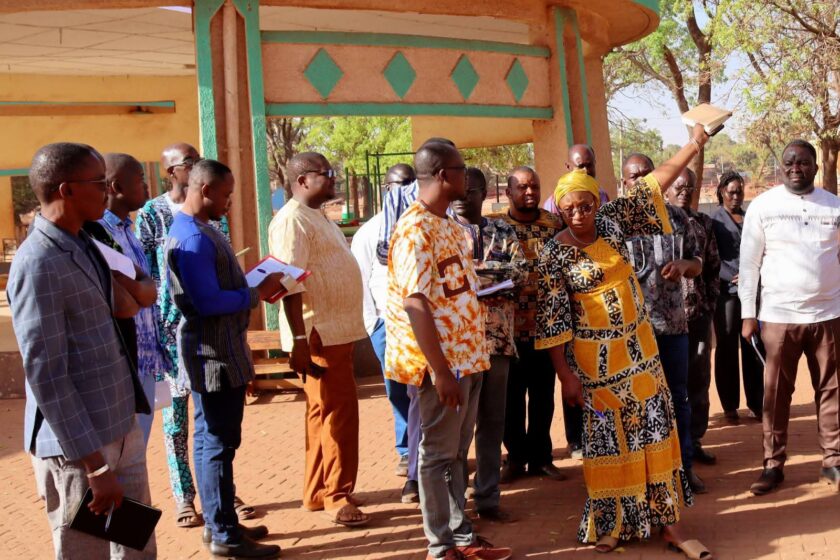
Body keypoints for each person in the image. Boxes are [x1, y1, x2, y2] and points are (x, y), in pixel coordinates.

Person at [536, 125, 714, 559]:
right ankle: (612, 523)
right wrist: (565, 377)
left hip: (641, 357)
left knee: (655, 433)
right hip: (595, 367)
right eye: (569, 208)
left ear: (597, 204)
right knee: (607, 442)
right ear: (560, 209)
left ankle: (670, 525)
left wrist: (694, 143)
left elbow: (656, 183)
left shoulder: (613, 225)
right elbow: (553, 322)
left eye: (586, 206)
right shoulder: (554, 254)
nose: (579, 215)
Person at [8, 142, 155, 558]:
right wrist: (96, 465)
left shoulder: (84, 242)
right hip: (80, 448)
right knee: (86, 552)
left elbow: (128, 303)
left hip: (119, 426)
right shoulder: (38, 263)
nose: (107, 193)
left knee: (136, 547)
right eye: (98, 184)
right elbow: (47, 375)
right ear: (66, 189)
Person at [387, 141, 512, 560]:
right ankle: (440, 548)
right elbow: (415, 303)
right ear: (442, 174)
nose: (467, 176)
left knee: (458, 453)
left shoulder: (451, 226)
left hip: (470, 357)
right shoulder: (415, 230)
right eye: (461, 169)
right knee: (437, 456)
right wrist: (440, 371)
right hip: (441, 366)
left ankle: (462, 538)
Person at [165, 159, 283, 558]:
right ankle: (225, 536)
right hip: (213, 355)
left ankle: (219, 523)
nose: (229, 202)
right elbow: (207, 301)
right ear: (205, 190)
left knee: (209, 440)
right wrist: (255, 293)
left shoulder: (198, 229)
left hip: (216, 350)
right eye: (226, 195)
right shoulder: (192, 238)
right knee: (218, 443)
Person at [136, 143, 255, 527]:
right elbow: (150, 276)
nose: (229, 202)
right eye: (188, 162)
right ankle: (193, 504)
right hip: (182, 336)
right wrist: (252, 294)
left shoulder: (208, 221)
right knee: (189, 427)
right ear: (174, 172)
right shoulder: (163, 220)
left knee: (209, 432)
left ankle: (219, 504)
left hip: (213, 336)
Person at [270, 152, 371, 527]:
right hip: (318, 334)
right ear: (302, 180)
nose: (333, 179)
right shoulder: (291, 220)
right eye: (326, 174)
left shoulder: (316, 216)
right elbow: (288, 283)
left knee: (323, 412)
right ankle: (337, 496)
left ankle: (317, 491)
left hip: (336, 330)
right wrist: (299, 338)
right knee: (337, 415)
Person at [740, 139, 840, 496]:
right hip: (778, 317)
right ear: (781, 166)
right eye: (789, 161)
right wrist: (748, 314)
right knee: (776, 394)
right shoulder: (763, 207)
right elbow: (749, 265)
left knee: (832, 391)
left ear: (815, 166)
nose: (795, 167)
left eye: (803, 162)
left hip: (829, 315)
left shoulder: (834, 205)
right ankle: (772, 465)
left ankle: (832, 461)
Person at [623, 153, 705, 493]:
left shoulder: (676, 217)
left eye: (648, 174)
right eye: (635, 176)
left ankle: (683, 469)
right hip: (629, 334)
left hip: (672, 329)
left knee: (677, 399)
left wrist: (685, 265)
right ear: (624, 182)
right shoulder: (614, 222)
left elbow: (698, 263)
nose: (642, 181)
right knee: (634, 405)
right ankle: (640, 477)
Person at [452, 167, 525, 523]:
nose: (462, 196)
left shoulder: (503, 230)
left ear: (484, 193)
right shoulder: (445, 232)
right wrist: (491, 272)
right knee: (458, 428)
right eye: (459, 189)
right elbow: (448, 280)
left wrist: (473, 274)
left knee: (493, 422)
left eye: (471, 190)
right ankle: (454, 503)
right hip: (459, 344)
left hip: (497, 341)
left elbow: (520, 272)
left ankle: (487, 497)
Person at [83, 153, 169, 447]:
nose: (147, 186)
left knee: (135, 451)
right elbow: (132, 292)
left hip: (145, 360)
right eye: (140, 179)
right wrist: (142, 289)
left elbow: (146, 289)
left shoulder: (127, 229)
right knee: (122, 451)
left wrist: (142, 289)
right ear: (117, 186)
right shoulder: (98, 233)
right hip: (122, 364)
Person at [488, 167, 567, 482]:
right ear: (509, 192)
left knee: (543, 397)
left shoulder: (554, 225)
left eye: (534, 186)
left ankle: (541, 458)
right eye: (522, 187)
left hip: (546, 329)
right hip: (509, 331)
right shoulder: (496, 228)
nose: (530, 192)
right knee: (511, 400)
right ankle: (515, 458)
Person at [353, 164, 415, 479]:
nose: (404, 191)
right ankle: (406, 452)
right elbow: (360, 282)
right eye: (397, 185)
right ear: (385, 189)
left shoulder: (423, 225)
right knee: (398, 391)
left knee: (425, 392)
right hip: (386, 325)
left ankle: (429, 451)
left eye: (410, 183)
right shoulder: (370, 232)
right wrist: (374, 327)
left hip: (422, 324)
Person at [665, 169, 721, 467]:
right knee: (671, 385)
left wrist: (709, 306)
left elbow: (712, 267)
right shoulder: (657, 222)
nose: (684, 191)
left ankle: (695, 440)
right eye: (678, 186)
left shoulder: (704, 223)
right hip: (665, 321)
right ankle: (671, 447)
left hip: (697, 316)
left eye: (689, 187)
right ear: (666, 189)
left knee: (699, 378)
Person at [710, 171, 764, 424]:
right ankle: (730, 406)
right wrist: (732, 275)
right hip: (726, 292)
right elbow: (711, 256)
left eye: (739, 192)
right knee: (727, 347)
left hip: (751, 290)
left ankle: (757, 403)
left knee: (753, 343)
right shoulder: (714, 221)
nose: (736, 196)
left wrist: (751, 275)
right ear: (722, 191)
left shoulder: (750, 216)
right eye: (731, 192)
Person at [543, 144, 609, 216]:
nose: (586, 171)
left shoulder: (602, 197)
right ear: (568, 166)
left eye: (589, 165)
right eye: (580, 166)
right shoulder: (553, 204)